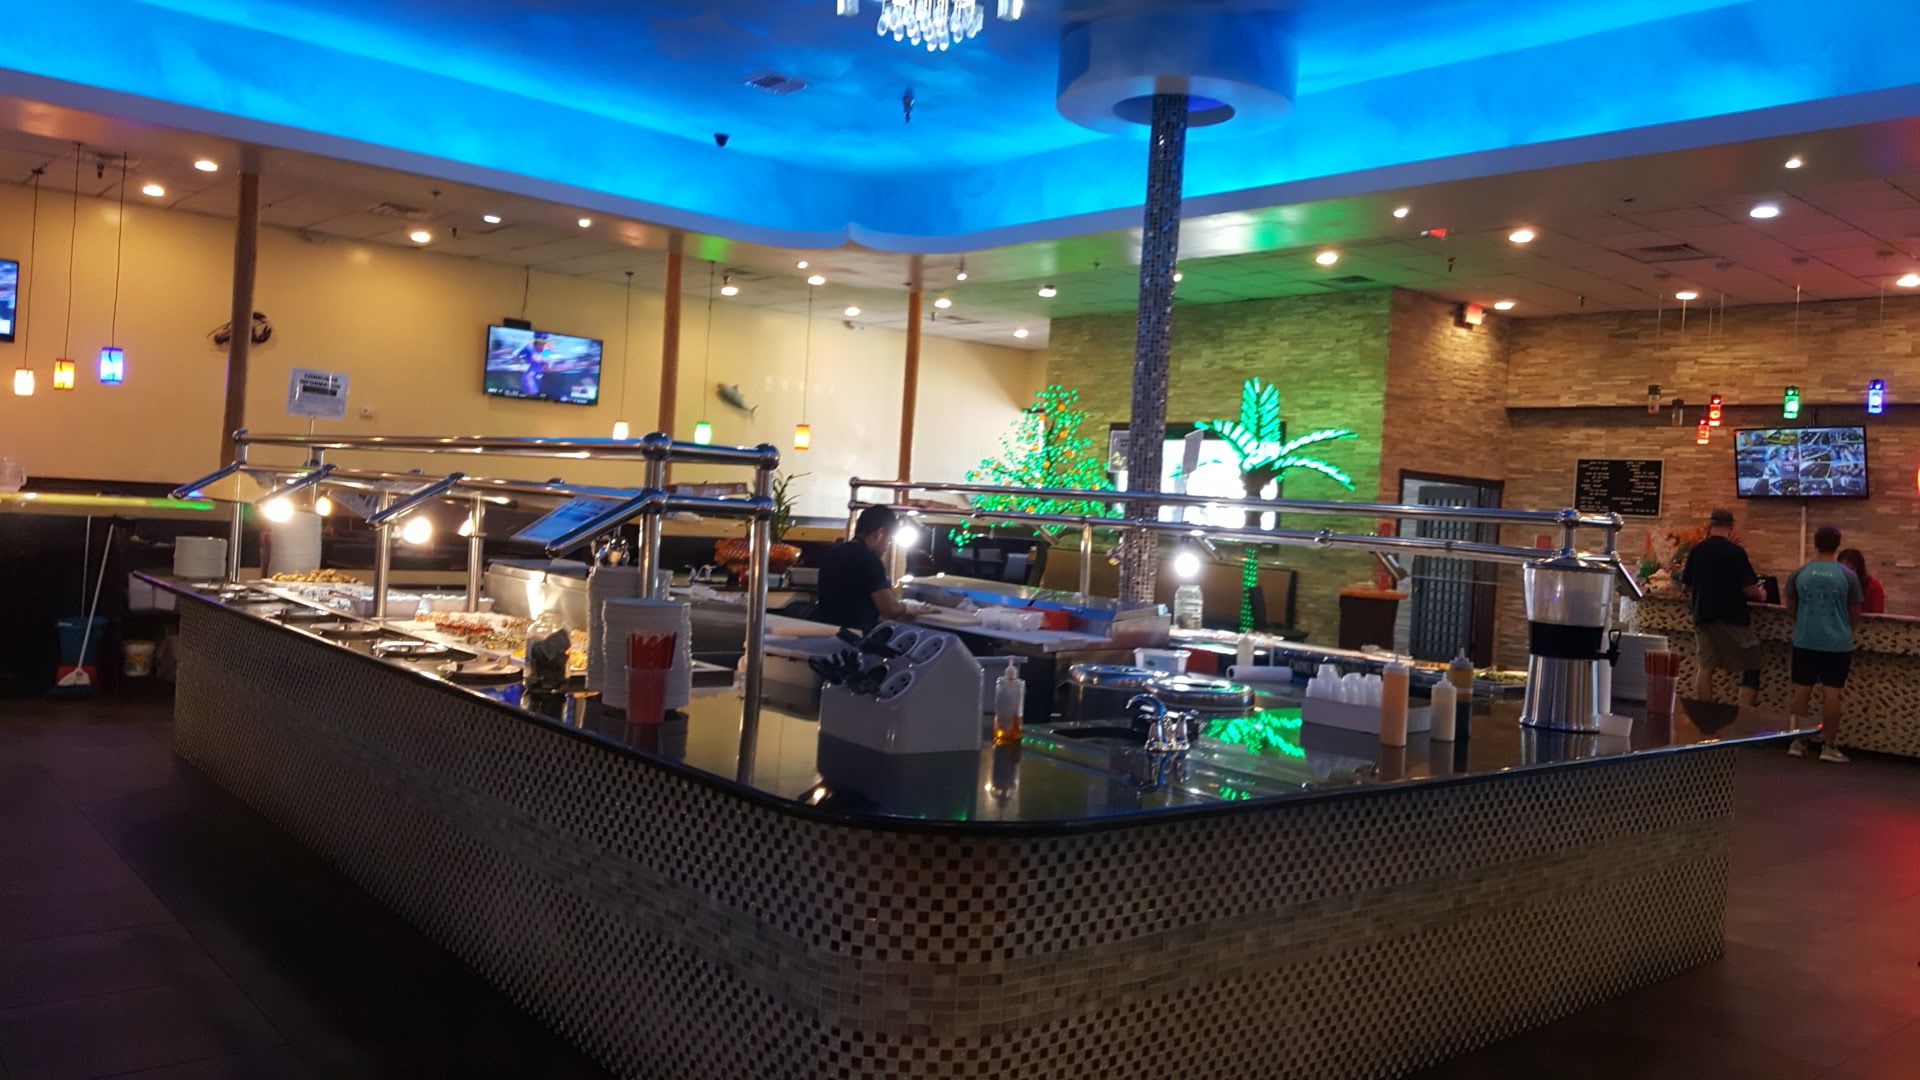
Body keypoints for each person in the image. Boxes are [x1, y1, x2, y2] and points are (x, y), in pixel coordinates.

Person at [1785, 526, 1863, 763]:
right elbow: (1855, 611)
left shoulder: (1800, 573)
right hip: (1837, 643)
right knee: (1832, 693)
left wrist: (1803, 623)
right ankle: (1829, 747)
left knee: (1802, 690)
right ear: (1837, 545)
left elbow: (1790, 606)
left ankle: (1797, 742)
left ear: (1815, 543)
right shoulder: (1848, 576)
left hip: (1805, 639)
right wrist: (1844, 629)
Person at [1678, 508, 1766, 707]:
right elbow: (1749, 589)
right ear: (1731, 527)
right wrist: (1761, 594)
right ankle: (1743, 715)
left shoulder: (1697, 551)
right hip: (1731, 617)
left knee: (1706, 667)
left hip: (1702, 615)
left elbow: (1687, 586)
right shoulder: (1735, 552)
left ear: (1710, 525)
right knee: (1752, 666)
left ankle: (1705, 716)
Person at [814, 505, 908, 632]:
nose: (887, 547)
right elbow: (890, 610)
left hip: (828, 634)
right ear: (880, 533)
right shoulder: (870, 559)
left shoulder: (833, 553)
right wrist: (910, 607)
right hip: (855, 638)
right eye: (889, 540)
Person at [1836, 548, 1885, 614]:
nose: (1845, 573)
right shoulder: (1835, 583)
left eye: (1849, 569)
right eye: (1841, 569)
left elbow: (1877, 615)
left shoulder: (1873, 586)